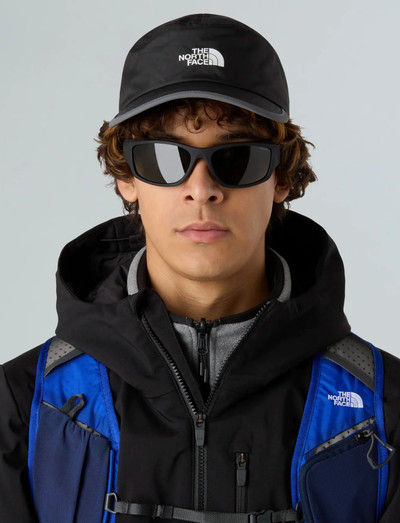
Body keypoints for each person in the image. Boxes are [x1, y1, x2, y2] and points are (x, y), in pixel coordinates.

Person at [1, 13, 399, 523]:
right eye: (164, 159)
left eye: (236, 159)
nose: (201, 188)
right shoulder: (24, 407)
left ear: (281, 178)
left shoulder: (386, 410)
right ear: (126, 177)